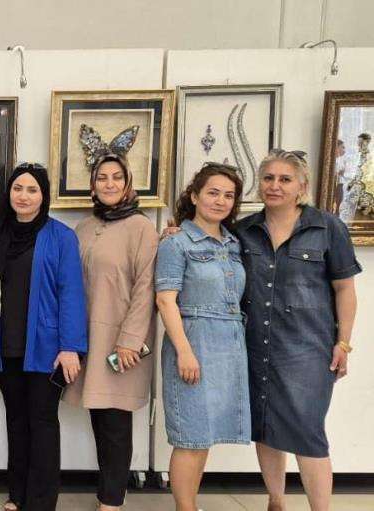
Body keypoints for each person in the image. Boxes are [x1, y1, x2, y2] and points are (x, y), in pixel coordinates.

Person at [237, 150, 361, 511]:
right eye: (268, 178)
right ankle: (275, 502)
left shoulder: (328, 228)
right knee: (265, 429)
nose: (275, 186)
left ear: (301, 186)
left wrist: (343, 343)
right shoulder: (244, 230)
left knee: (307, 433)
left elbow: (345, 289)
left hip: (307, 350)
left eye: (285, 179)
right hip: (255, 346)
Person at [0, 163, 87, 511]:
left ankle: (41, 501)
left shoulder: (61, 236)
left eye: (32, 190)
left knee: (42, 422)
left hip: (46, 349)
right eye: (18, 188)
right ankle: (18, 494)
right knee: (16, 421)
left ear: (43, 196)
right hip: (6, 346)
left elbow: (71, 292)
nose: (24, 196)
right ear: (9, 193)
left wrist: (70, 347)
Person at [64, 153, 157, 511]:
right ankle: (109, 493)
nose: (109, 184)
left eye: (117, 177)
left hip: (122, 342)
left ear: (128, 183)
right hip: (89, 339)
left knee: (116, 424)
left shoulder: (141, 228)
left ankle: (112, 501)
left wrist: (130, 340)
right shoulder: (85, 228)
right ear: (92, 186)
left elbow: (146, 287)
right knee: (99, 419)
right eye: (102, 178)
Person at [155, 163, 249, 511]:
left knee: (203, 435)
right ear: (194, 196)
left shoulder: (234, 244)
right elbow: (165, 300)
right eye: (213, 192)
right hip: (194, 343)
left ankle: (190, 505)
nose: (220, 201)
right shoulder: (176, 243)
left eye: (228, 195)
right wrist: (184, 351)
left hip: (228, 346)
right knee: (191, 436)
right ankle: (185, 507)